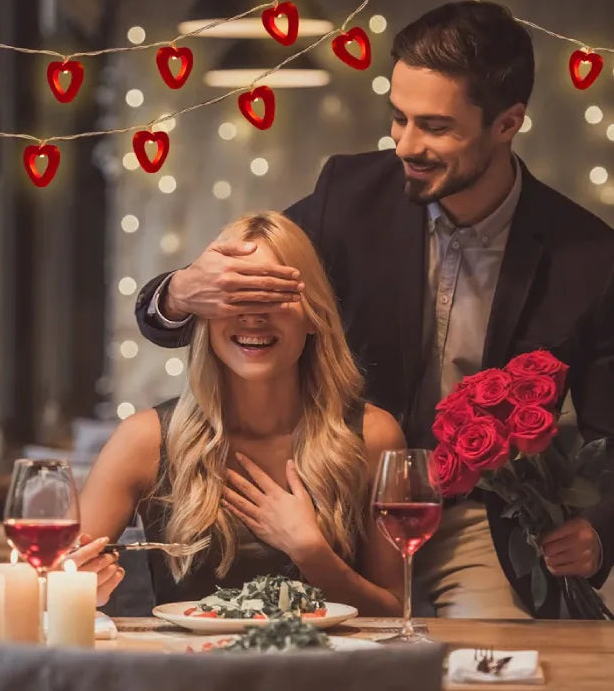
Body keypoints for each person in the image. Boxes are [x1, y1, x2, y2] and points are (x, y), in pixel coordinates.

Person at [133, 1, 614, 618]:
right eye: (399, 118)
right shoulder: (348, 196)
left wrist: (599, 530)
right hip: (342, 506)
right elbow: (241, 308)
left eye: (435, 127)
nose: (405, 145)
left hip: (478, 527)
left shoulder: (589, 257)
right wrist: (177, 294)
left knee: (483, 665)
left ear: (507, 123)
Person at [73, 212, 405, 614]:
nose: (252, 316)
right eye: (234, 297)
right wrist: (77, 586)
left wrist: (312, 553)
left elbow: (393, 615)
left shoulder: (374, 436)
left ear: (315, 316)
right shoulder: (144, 439)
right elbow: (62, 580)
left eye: (272, 296)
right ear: (205, 315)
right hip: (192, 673)